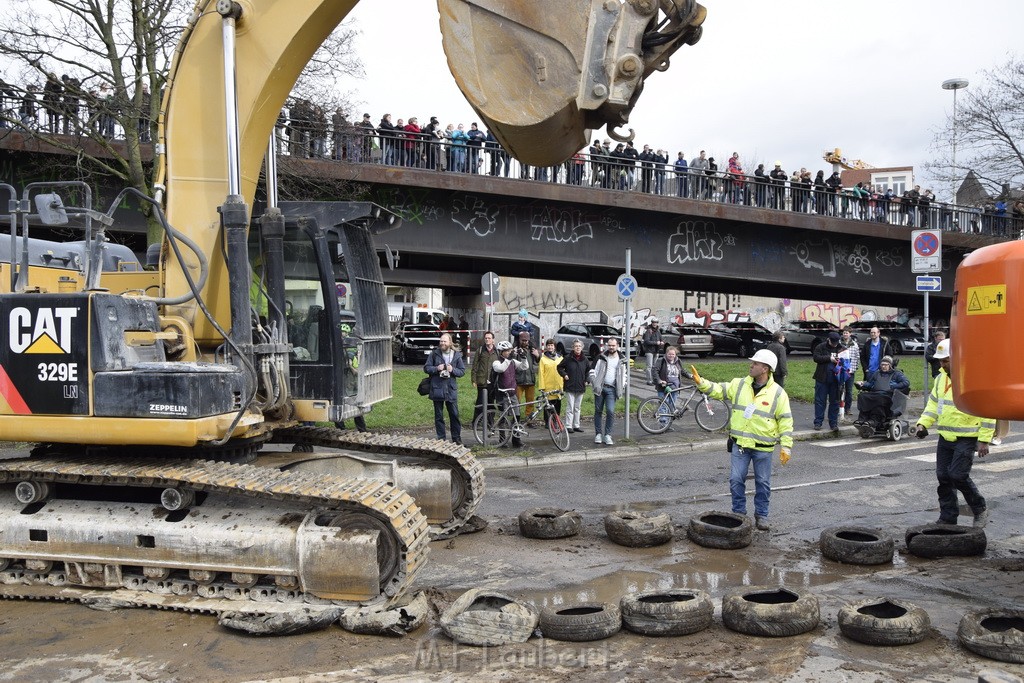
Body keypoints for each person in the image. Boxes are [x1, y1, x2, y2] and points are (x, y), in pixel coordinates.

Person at [691, 349, 792, 531]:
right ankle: (739, 513)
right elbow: (719, 389)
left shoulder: (777, 393)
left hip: (763, 448)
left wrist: (786, 446)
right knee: (736, 480)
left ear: (765, 369)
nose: (751, 365)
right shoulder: (739, 384)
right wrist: (701, 382)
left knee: (763, 482)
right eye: (751, 362)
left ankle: (762, 515)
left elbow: (785, 420)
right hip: (740, 445)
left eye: (755, 363)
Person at [915, 339, 993, 528]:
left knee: (958, 475)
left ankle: (980, 509)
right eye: (940, 361)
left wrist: (984, 440)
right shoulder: (941, 378)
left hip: (967, 437)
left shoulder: (973, 377)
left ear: (957, 358)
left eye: (945, 360)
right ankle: (948, 518)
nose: (941, 364)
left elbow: (987, 409)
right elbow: (933, 404)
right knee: (943, 477)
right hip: (945, 436)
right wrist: (922, 424)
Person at [424, 333, 465, 444]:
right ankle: (441, 439)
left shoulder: (456, 355)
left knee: (454, 415)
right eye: (441, 341)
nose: (442, 343)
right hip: (437, 389)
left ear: (450, 343)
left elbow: (462, 371)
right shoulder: (434, 354)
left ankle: (456, 438)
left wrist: (453, 370)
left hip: (451, 390)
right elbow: (426, 368)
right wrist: (437, 368)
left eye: (444, 341)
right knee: (439, 416)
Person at [589, 337, 626, 445]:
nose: (611, 347)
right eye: (609, 345)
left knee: (610, 411)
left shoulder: (622, 359)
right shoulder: (600, 357)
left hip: (612, 389)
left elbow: (625, 375)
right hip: (600, 388)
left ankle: (608, 435)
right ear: (606, 345)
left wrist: (622, 385)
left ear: (617, 346)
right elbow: (592, 371)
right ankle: (598, 434)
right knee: (598, 411)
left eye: (613, 345)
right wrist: (594, 382)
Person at [854, 355, 909, 428]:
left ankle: (875, 420)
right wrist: (863, 384)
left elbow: (906, 382)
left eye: (885, 365)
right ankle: (862, 419)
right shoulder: (877, 373)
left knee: (879, 399)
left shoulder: (896, 374)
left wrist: (893, 386)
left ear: (890, 365)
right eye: (882, 365)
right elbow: (871, 384)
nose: (883, 367)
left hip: (889, 395)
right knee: (862, 396)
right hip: (876, 393)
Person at [492, 340, 527, 448]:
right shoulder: (496, 362)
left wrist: (524, 357)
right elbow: (501, 369)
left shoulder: (512, 361)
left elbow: (524, 367)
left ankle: (516, 440)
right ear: (501, 352)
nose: (508, 352)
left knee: (516, 417)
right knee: (503, 417)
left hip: (513, 392)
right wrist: (509, 358)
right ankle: (502, 441)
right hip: (502, 394)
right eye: (506, 351)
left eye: (509, 350)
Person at [812, 331, 843, 431]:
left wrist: (840, 360)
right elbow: (816, 358)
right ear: (828, 339)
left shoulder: (841, 348)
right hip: (822, 378)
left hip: (836, 380)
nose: (834, 344)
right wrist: (829, 358)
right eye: (832, 342)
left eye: (836, 343)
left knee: (834, 402)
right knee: (820, 401)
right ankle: (818, 422)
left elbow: (846, 361)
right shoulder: (820, 347)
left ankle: (833, 423)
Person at [558, 339, 589, 433]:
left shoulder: (585, 359)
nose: (578, 348)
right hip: (570, 386)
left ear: (582, 347)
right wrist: (564, 374)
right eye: (576, 346)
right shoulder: (568, 358)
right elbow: (559, 367)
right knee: (570, 407)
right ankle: (568, 425)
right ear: (573, 347)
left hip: (580, 386)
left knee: (577, 407)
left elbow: (588, 371)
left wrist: (587, 380)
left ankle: (576, 425)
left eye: (579, 346)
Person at [471, 331, 500, 426]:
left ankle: (490, 422)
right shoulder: (480, 350)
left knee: (491, 403)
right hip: (482, 381)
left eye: (489, 338)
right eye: (486, 338)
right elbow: (474, 366)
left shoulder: (497, 351)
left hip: (493, 381)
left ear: (493, 340)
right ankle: (476, 422)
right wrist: (473, 380)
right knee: (480, 402)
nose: (487, 340)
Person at [652, 345, 683, 425]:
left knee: (672, 407)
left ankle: (668, 425)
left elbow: (682, 371)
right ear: (666, 354)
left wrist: (691, 376)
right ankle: (663, 424)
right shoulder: (661, 360)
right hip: (663, 387)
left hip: (675, 387)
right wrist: (659, 381)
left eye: (673, 354)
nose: (671, 356)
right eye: (669, 354)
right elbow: (655, 371)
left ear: (675, 354)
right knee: (664, 405)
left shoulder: (678, 361)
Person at [514, 331, 540, 422]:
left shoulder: (533, 350)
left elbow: (538, 362)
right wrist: (513, 354)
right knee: (516, 402)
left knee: (530, 402)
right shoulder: (515, 350)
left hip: (530, 380)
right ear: (519, 340)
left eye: (526, 340)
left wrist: (537, 356)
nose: (525, 342)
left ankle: (529, 420)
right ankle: (515, 419)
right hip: (518, 380)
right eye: (523, 340)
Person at [536, 339, 564, 424]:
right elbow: (541, 373)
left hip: (558, 385)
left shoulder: (560, 358)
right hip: (548, 386)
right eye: (548, 345)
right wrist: (542, 387)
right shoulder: (543, 359)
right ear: (546, 347)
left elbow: (563, 371)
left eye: (552, 345)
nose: (550, 347)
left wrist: (563, 385)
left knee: (557, 405)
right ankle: (548, 422)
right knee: (548, 405)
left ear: (554, 347)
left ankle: (556, 421)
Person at [838, 327, 860, 422]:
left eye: (847, 333)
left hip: (850, 372)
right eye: (844, 333)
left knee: (849, 391)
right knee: (839, 390)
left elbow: (856, 358)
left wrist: (853, 369)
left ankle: (848, 408)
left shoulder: (854, 345)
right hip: (841, 371)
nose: (845, 334)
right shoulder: (839, 343)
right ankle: (839, 408)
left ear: (850, 334)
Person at [642, 318, 664, 385]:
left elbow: (661, 339)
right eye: (653, 322)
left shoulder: (658, 331)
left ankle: (655, 379)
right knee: (649, 366)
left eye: (656, 322)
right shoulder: (648, 331)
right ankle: (649, 380)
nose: (655, 323)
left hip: (656, 351)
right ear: (651, 323)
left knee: (655, 366)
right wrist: (656, 343)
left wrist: (662, 342)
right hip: (649, 351)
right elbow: (646, 341)